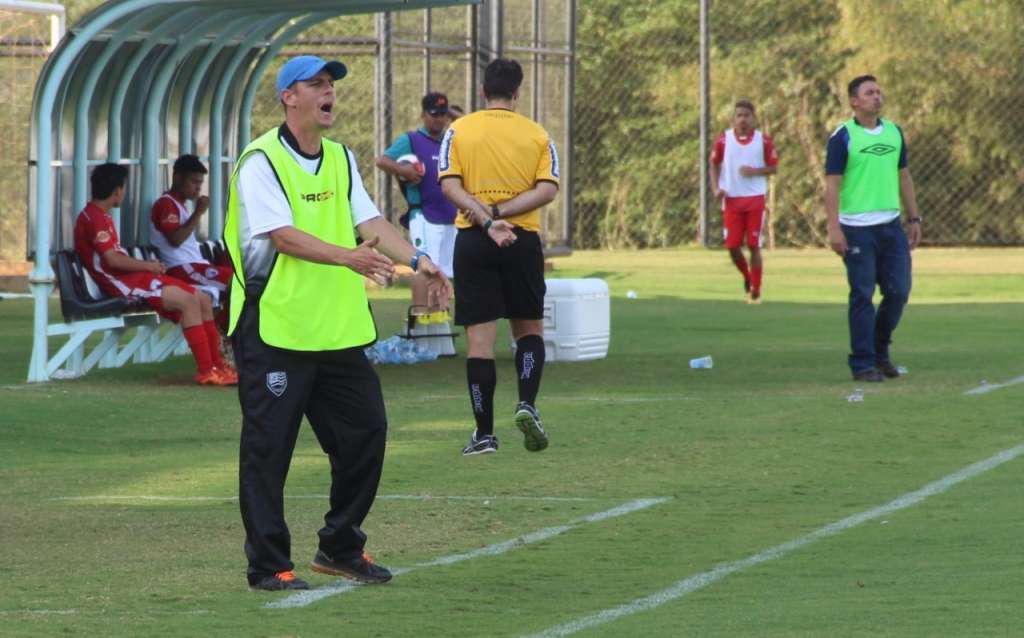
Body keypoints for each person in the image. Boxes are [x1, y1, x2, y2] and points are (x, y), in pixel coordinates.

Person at [224, 55, 451, 592]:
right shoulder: (261, 161)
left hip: (336, 332)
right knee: (268, 451)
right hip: (275, 329)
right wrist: (350, 258)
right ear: (290, 97)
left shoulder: (340, 159)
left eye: (332, 85)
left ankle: (340, 547)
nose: (330, 93)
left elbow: (369, 221)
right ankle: (269, 565)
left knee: (366, 434)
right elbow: (283, 236)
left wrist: (418, 261)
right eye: (317, 85)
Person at [439, 58, 558, 456]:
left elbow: (450, 185)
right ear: (517, 93)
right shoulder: (537, 134)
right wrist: (503, 214)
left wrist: (485, 216)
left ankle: (484, 434)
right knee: (529, 331)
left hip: (473, 240)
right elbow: (546, 190)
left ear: (482, 91)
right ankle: (526, 403)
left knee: (480, 342)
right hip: (521, 240)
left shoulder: (459, 129)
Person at [73, 163, 235, 386]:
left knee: (203, 299)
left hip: (132, 278)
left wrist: (147, 267)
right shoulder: (94, 218)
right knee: (189, 301)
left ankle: (220, 367)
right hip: (120, 283)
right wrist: (147, 266)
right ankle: (207, 371)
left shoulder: (101, 216)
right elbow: (112, 260)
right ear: (117, 190)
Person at [824, 75, 922, 382]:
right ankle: (863, 363)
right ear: (855, 101)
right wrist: (834, 228)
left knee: (898, 291)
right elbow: (832, 184)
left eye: (879, 92)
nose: (877, 97)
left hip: (891, 227)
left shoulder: (894, 132)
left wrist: (914, 217)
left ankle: (881, 352)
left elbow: (904, 176)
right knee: (862, 294)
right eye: (869, 93)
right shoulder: (843, 136)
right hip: (856, 230)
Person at [375, 92, 458, 348]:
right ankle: (420, 331)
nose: (439, 120)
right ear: (423, 115)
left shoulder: (450, 141)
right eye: (434, 114)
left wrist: (456, 119)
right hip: (423, 214)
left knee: (444, 269)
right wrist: (403, 170)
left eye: (443, 115)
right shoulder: (411, 139)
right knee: (424, 266)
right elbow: (382, 160)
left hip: (449, 215)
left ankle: (439, 329)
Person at [149, 154, 236, 347]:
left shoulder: (180, 205)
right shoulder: (166, 204)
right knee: (235, 283)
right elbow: (176, 239)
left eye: (200, 183)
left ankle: (221, 335)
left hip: (195, 267)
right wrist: (199, 212)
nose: (197, 188)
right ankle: (224, 337)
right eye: (194, 181)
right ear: (178, 178)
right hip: (181, 268)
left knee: (241, 283)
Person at [709, 100, 778, 303]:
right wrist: (716, 188)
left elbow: (774, 168)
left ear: (753, 118)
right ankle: (747, 276)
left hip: (755, 198)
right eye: (739, 115)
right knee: (732, 246)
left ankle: (756, 288)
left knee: (753, 244)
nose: (742, 119)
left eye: (746, 115)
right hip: (731, 199)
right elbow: (713, 164)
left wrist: (755, 171)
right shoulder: (724, 140)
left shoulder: (762, 141)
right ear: (734, 118)